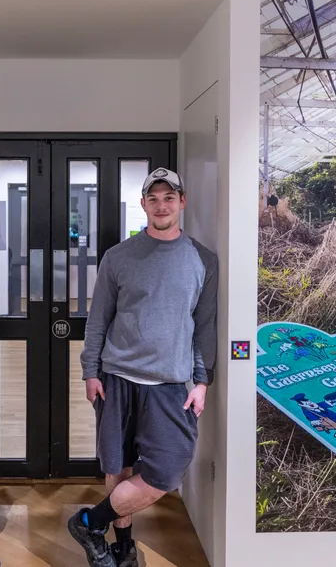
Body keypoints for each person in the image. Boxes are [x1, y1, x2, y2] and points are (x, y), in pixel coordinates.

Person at [67, 167, 218, 567]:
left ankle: (89, 522)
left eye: (170, 197)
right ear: (143, 204)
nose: (162, 205)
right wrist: (90, 370)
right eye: (154, 198)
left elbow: (203, 327)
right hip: (116, 379)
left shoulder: (203, 260)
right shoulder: (119, 257)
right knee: (119, 466)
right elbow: (98, 319)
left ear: (182, 202)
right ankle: (123, 545)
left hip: (169, 385)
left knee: (166, 471)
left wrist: (202, 381)